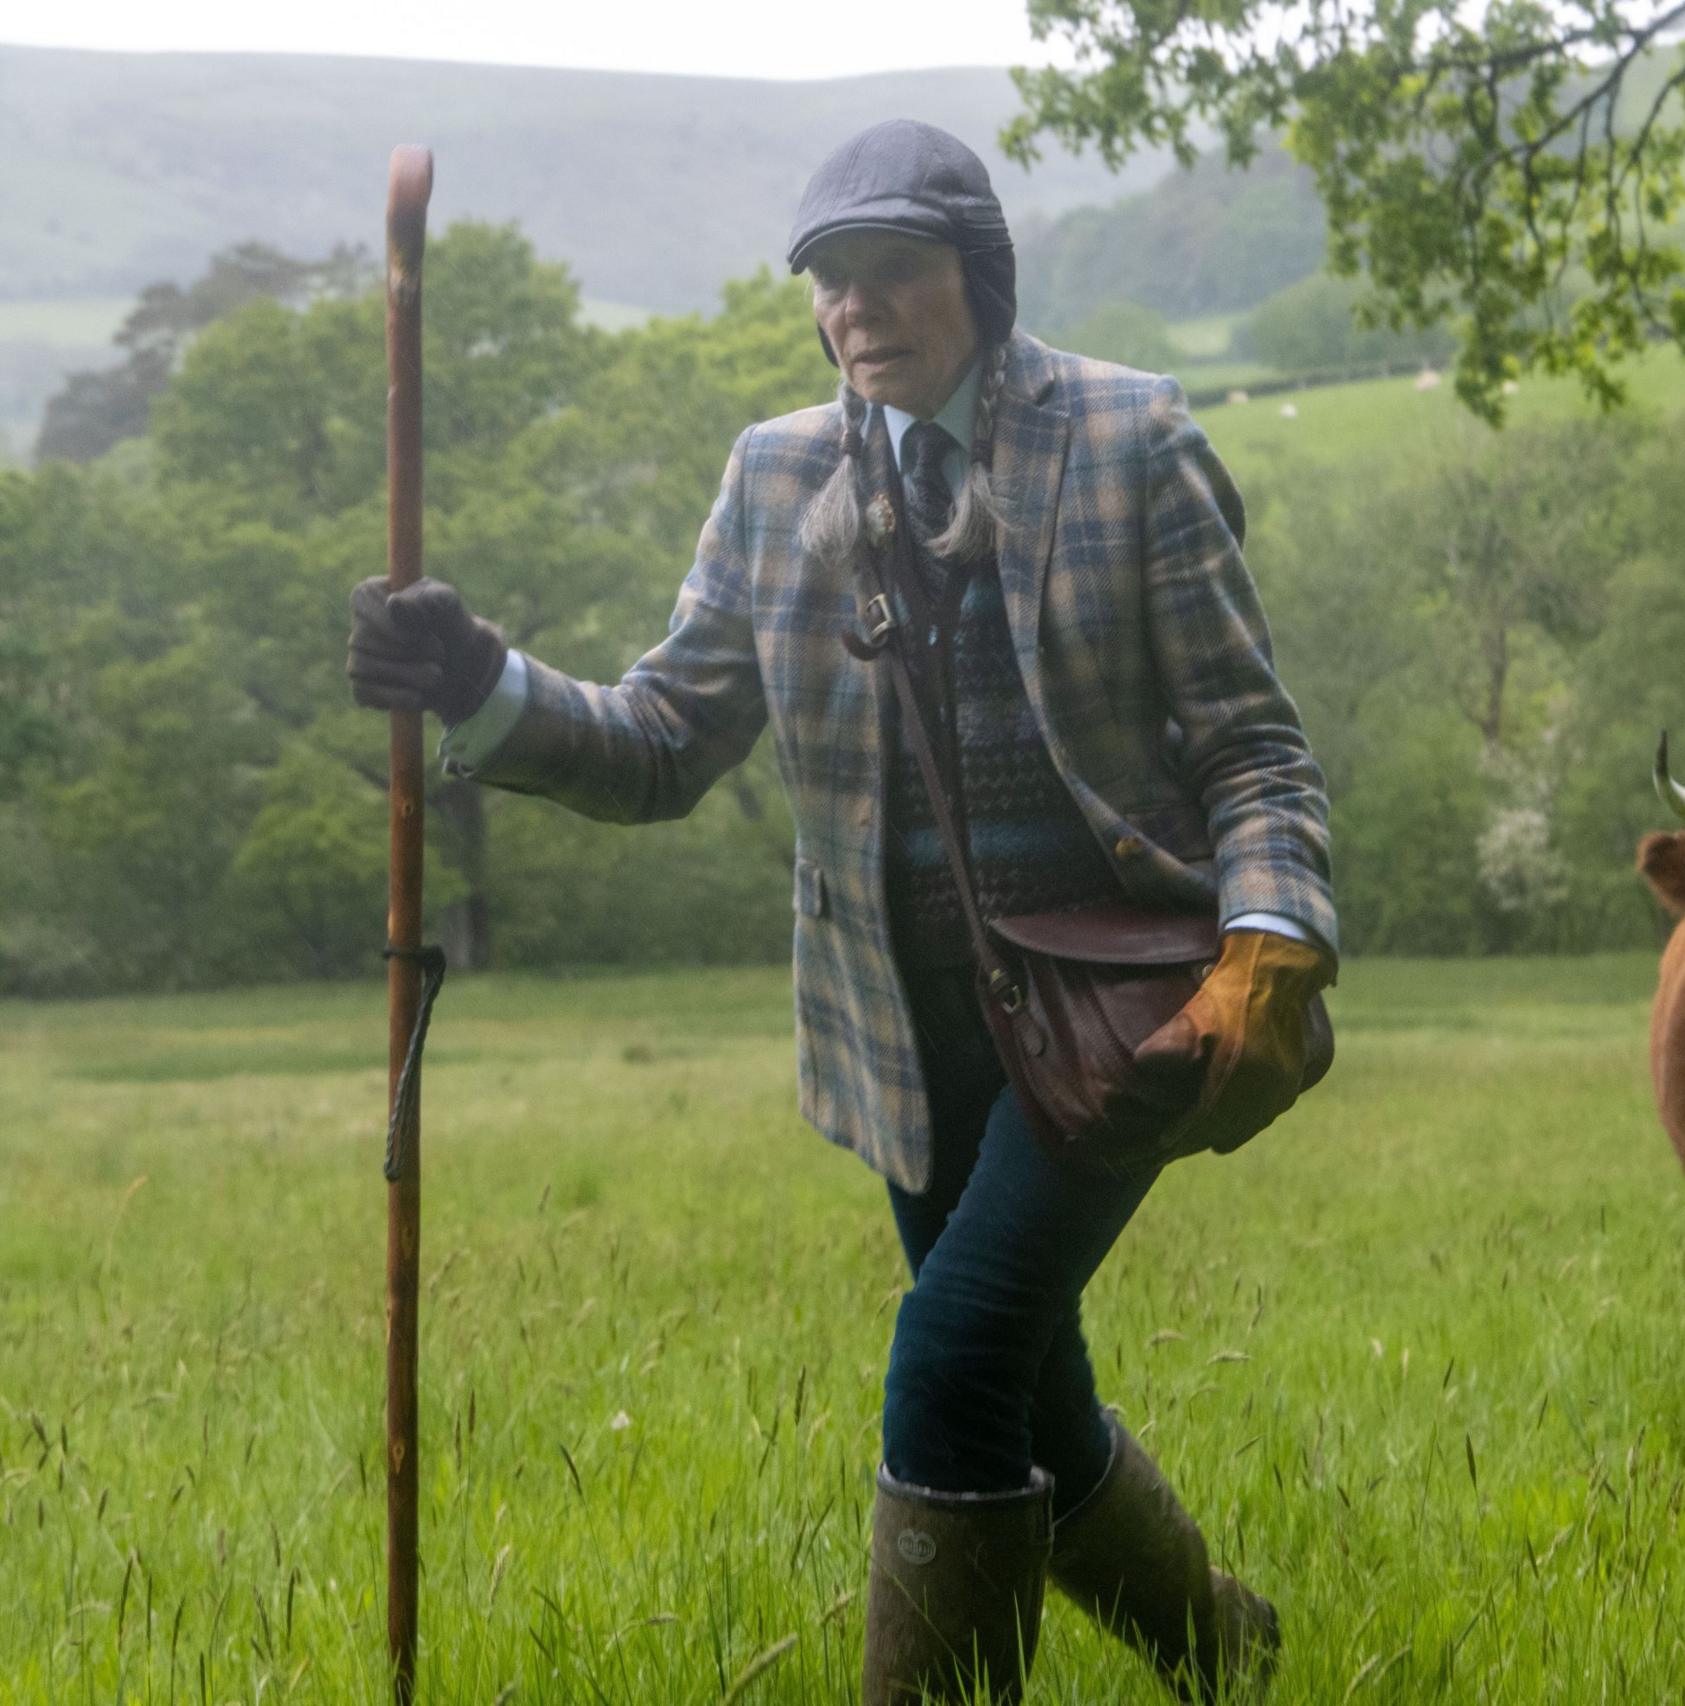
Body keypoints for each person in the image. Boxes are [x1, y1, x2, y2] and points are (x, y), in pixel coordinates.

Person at [347, 120, 1336, 1703]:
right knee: (1030, 1385)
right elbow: (667, 740)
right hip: (899, 1023)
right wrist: (483, 681)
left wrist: (1270, 940)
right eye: (832, 280)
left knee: (949, 1360)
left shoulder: (1129, 437)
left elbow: (1251, 745)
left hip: (1117, 1013)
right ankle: (1224, 1647)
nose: (860, 309)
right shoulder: (776, 472)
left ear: (980, 282)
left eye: (896, 272)